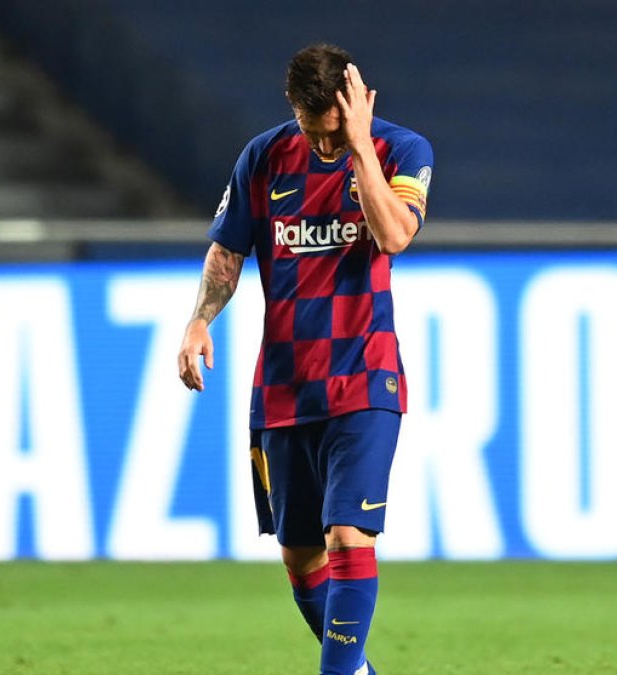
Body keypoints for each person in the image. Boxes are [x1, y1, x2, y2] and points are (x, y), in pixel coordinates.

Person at [177, 42, 433, 675]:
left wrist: (358, 145)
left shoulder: (402, 151)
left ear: (353, 104)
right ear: (293, 108)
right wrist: (199, 319)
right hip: (286, 387)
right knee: (300, 559)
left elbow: (395, 234)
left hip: (365, 380)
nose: (322, 147)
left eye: (331, 131)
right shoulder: (263, 157)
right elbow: (229, 248)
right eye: (310, 130)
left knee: (348, 537)